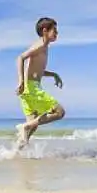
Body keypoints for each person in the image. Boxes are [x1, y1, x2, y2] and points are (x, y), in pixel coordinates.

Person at [15, 17, 66, 148]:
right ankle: (25, 126)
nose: (57, 33)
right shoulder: (40, 45)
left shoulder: (43, 47)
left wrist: (53, 74)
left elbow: (38, 70)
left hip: (29, 88)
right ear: (45, 30)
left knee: (31, 128)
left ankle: (14, 153)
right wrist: (21, 81)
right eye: (54, 30)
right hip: (31, 87)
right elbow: (20, 58)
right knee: (59, 112)